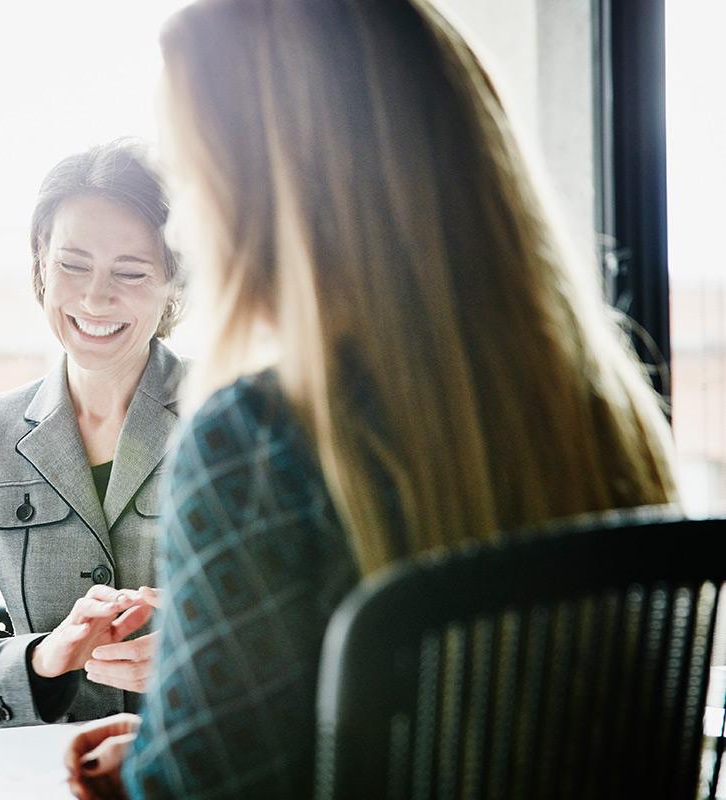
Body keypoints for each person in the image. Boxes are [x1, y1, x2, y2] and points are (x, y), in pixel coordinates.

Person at [65, 0, 679, 797]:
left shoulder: (259, 439)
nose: (179, 229)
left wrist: (149, 779)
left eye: (189, 180)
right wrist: (165, 746)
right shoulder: (605, 416)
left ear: (272, 189)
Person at [0, 141, 185, 729]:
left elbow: (322, 625)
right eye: (73, 265)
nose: (96, 297)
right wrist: (40, 660)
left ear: (174, 283)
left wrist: (203, 660)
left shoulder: (239, 420)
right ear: (40, 265)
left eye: (131, 272)